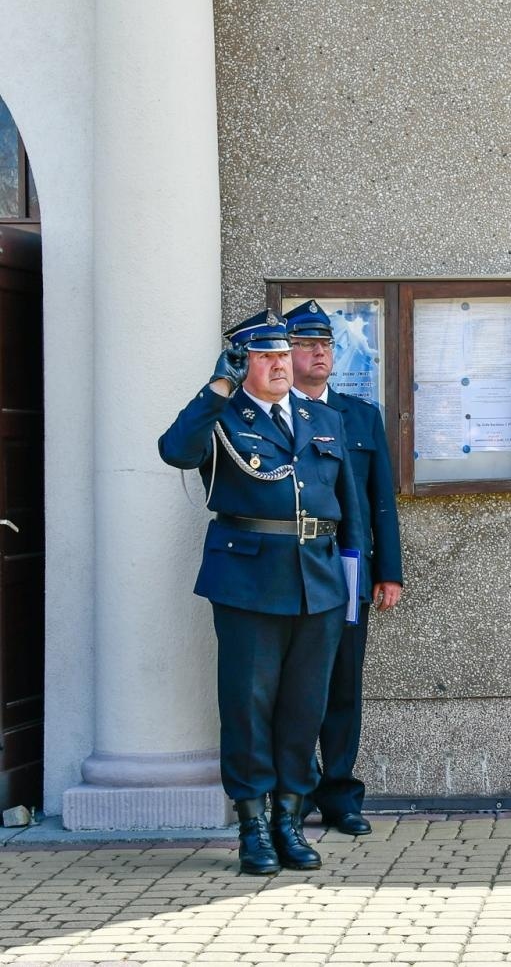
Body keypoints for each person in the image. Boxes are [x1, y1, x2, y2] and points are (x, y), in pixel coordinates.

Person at [158, 310, 360, 874]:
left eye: (282, 354)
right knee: (248, 704)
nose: (279, 364)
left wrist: (353, 578)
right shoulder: (223, 417)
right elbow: (176, 451)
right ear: (242, 362)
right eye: (265, 356)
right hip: (248, 580)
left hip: (318, 581)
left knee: (304, 706)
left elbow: (349, 507)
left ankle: (288, 821)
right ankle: (252, 826)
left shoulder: (322, 418)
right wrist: (217, 389)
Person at [285, 300, 405, 835]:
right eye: (307, 344)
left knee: (342, 686)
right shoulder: (274, 414)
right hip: (289, 571)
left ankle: (339, 795)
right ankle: (294, 790)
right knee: (290, 687)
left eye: (326, 345)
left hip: (348, 568)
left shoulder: (360, 416)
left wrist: (388, 571)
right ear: (285, 353)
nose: (319, 353)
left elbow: (381, 501)